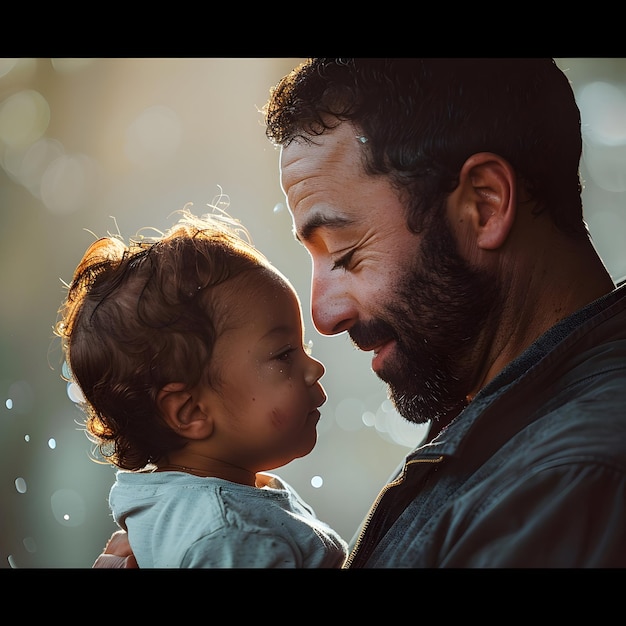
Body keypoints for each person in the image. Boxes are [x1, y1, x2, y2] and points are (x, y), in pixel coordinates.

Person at [95, 58, 626, 568]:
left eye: (346, 253)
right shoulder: (495, 423)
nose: (323, 316)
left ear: (483, 205)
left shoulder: (570, 478)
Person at [56, 205, 348, 568]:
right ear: (191, 411)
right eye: (284, 355)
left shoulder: (228, 503)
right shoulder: (230, 537)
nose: (315, 368)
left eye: (304, 348)